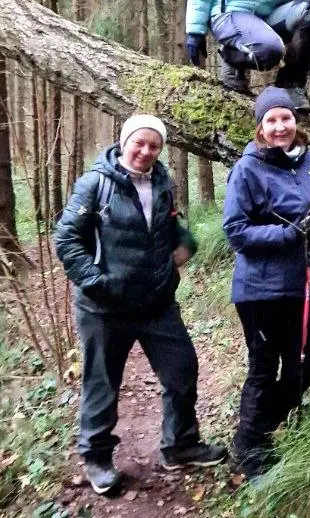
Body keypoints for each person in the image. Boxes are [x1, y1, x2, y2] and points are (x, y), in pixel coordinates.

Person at [55, 114, 226, 496]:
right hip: (104, 308)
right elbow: (66, 239)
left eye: (154, 146)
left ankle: (179, 444)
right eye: (140, 143)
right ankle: (97, 457)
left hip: (156, 303)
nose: (145, 151)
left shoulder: (163, 182)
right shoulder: (95, 184)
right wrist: (97, 282)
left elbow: (171, 226)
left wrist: (185, 243)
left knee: (182, 369)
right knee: (102, 383)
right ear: (124, 142)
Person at [222, 86, 310, 481]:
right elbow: (236, 231)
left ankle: (261, 432)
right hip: (260, 291)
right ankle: (249, 454)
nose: (280, 126)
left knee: (302, 371)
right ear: (260, 128)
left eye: (286, 118)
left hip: (302, 287)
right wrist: (287, 236)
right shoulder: (247, 169)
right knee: (264, 371)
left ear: (295, 122)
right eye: (272, 120)